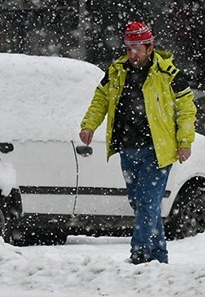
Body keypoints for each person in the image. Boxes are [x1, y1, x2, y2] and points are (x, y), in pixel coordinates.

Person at [79, 21, 196, 264]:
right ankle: (159, 256)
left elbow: (186, 108)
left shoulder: (168, 73)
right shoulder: (116, 70)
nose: (133, 54)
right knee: (140, 204)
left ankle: (139, 254)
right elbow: (100, 98)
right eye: (129, 47)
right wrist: (89, 125)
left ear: (150, 47)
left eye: (138, 48)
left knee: (147, 203)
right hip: (127, 148)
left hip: (157, 150)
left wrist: (185, 141)